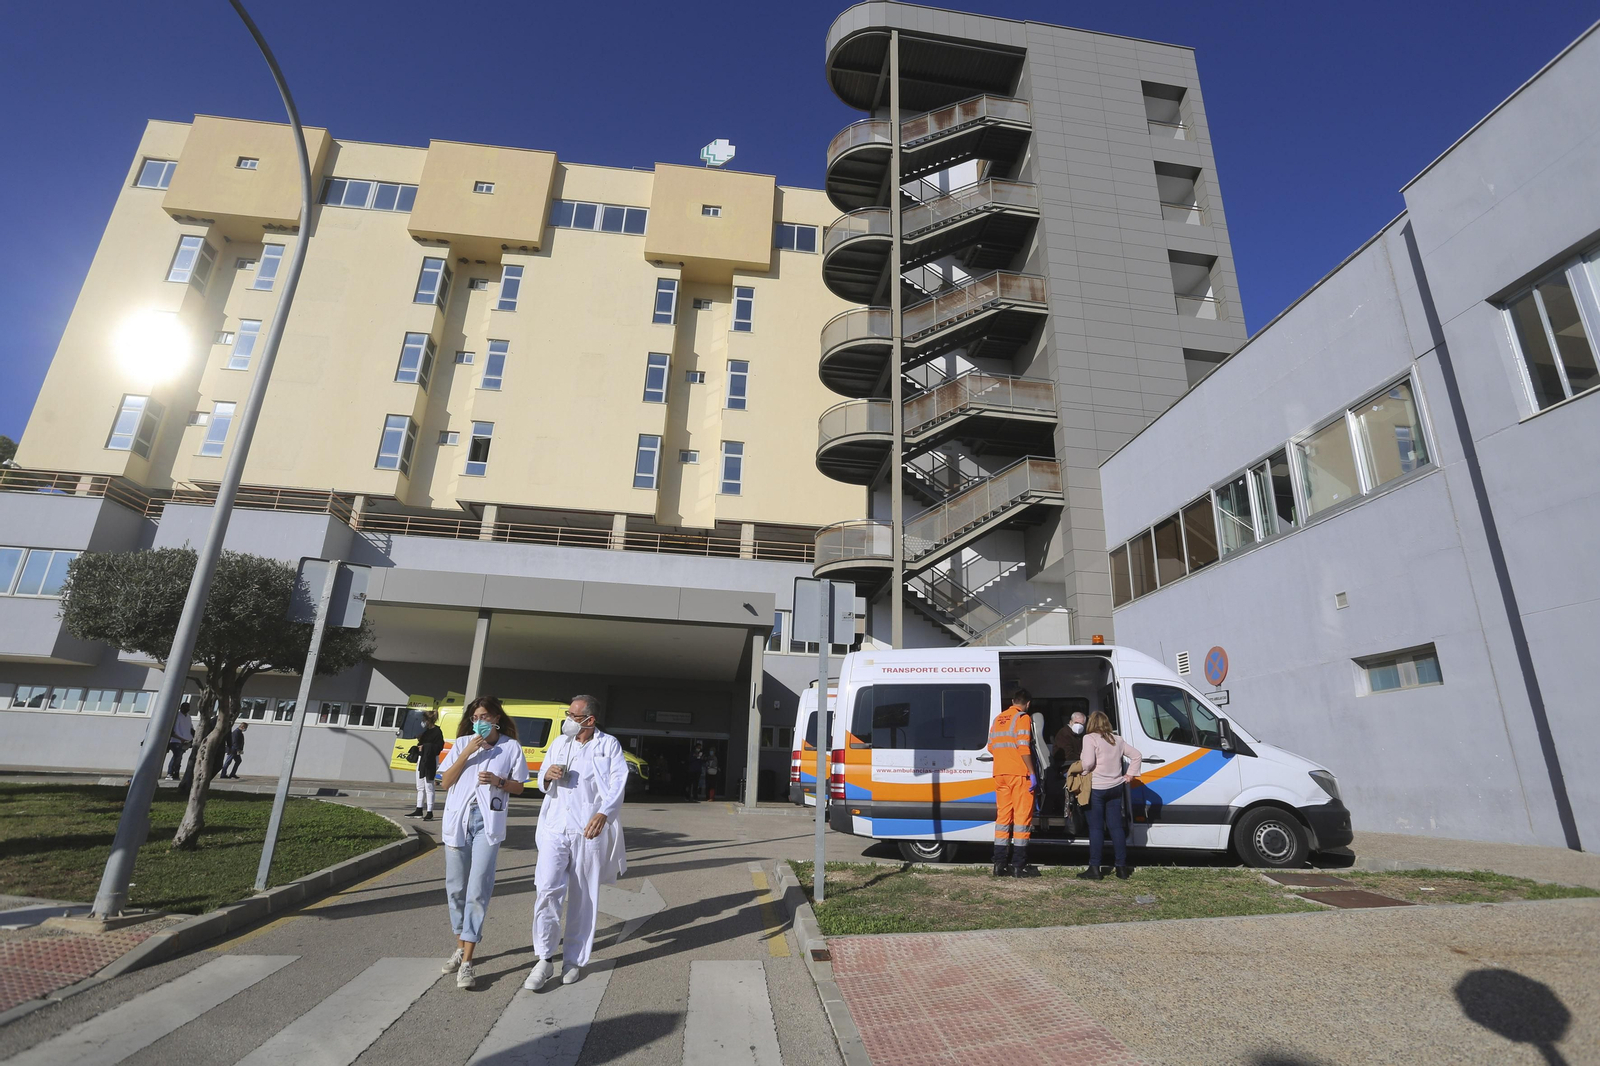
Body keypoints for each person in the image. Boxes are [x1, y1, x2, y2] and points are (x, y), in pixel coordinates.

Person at [525, 694, 628, 990]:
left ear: (590, 720)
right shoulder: (559, 743)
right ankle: (544, 958)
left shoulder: (608, 745)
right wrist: (547, 775)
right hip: (555, 826)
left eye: (573, 715)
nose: (567, 719)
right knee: (546, 889)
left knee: (584, 897)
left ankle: (574, 960)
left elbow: (618, 783)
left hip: (587, 830)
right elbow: (540, 780)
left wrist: (603, 814)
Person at [438, 696, 529, 991]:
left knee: (477, 889)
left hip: (487, 825)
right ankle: (460, 945)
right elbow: (445, 782)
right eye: (476, 715)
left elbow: (520, 786)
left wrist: (499, 781)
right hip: (458, 823)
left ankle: (467, 961)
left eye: (487, 716)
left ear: (497, 718)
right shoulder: (463, 742)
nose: (481, 720)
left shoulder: (510, 747)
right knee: (456, 888)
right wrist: (466, 752)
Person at [1078, 710, 1142, 881]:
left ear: (1091, 723)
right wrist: (1130, 775)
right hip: (1116, 787)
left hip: (1097, 788)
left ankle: (1095, 868)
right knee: (1116, 828)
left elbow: (1089, 763)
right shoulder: (1117, 739)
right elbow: (1136, 755)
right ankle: (1121, 868)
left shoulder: (1089, 738)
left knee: (1096, 828)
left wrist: (1082, 771)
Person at [986, 688, 1038, 878]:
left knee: (1003, 820)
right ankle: (1018, 865)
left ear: (1012, 700)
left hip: (1000, 774)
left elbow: (991, 746)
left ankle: (999, 864)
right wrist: (1032, 773)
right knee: (1022, 820)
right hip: (1019, 774)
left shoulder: (999, 719)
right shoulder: (1023, 718)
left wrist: (1005, 759)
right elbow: (1023, 747)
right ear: (1028, 704)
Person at [407, 710, 446, 821]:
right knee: (420, 786)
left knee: (429, 785)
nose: (422, 722)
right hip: (421, 758)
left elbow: (439, 747)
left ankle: (429, 811)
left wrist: (425, 747)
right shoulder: (424, 731)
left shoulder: (437, 731)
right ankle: (419, 809)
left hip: (430, 759)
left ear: (429, 720)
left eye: (424, 719)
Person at [1052, 712, 1092, 811]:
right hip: (1067, 766)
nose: (1079, 726)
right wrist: (1084, 758)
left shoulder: (1083, 735)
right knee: (1085, 781)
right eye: (1076, 722)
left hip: (1078, 765)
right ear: (1070, 722)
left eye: (1081, 724)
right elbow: (1068, 755)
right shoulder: (1064, 734)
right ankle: (1081, 805)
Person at [166, 702, 193, 780]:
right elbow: (173, 730)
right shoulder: (177, 716)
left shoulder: (188, 717)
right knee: (176, 757)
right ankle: (170, 773)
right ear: (181, 707)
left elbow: (190, 728)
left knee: (179, 757)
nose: (186, 709)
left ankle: (176, 774)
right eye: (185, 707)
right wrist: (180, 739)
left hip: (186, 741)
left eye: (188, 707)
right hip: (176, 741)